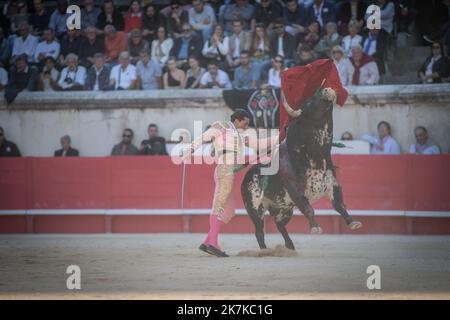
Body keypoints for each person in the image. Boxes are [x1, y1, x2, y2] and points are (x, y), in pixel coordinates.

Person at [181, 109, 276, 257]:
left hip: (228, 171)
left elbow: (258, 144)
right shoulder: (222, 126)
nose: (246, 126)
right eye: (245, 122)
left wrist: (280, 137)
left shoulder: (239, 135)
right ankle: (213, 243)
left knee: (229, 209)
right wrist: (189, 149)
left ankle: (207, 242)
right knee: (219, 206)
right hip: (224, 170)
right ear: (238, 120)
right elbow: (204, 137)